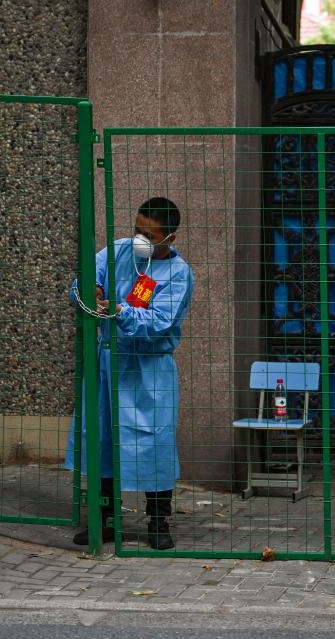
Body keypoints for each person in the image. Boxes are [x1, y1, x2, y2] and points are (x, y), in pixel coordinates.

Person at [66, 197, 194, 549]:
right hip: (108, 361)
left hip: (148, 367)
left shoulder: (178, 274)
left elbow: (158, 322)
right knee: (103, 435)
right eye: (136, 229)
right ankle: (106, 519)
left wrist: (117, 310)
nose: (139, 239)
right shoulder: (120, 251)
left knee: (154, 441)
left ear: (169, 237)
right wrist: (87, 289)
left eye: (149, 235)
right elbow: (84, 281)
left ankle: (158, 520)